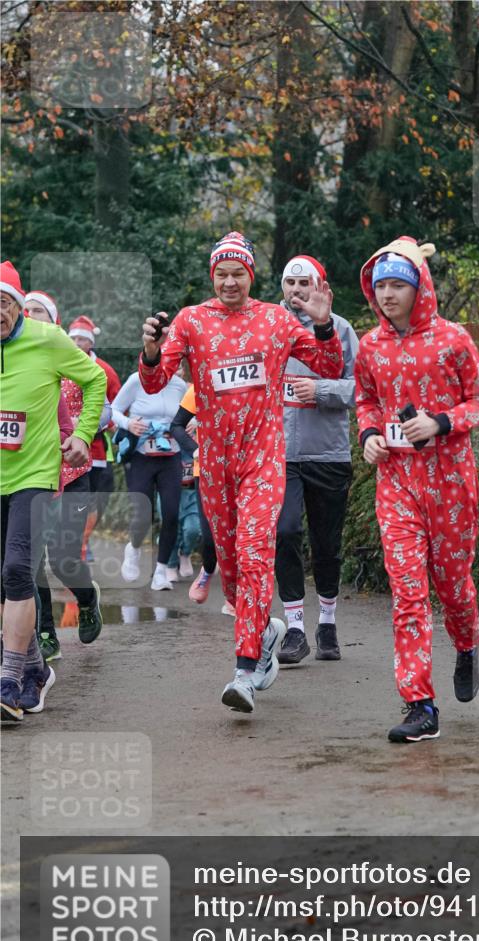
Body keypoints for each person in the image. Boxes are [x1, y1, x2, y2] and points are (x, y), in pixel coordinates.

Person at [139, 231, 343, 715]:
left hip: (263, 461)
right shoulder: (191, 321)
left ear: (251, 276)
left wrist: (323, 324)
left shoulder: (275, 320)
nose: (230, 281)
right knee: (230, 571)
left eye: (239, 273)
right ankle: (267, 630)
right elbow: (154, 380)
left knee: (255, 556)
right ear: (213, 275)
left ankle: (245, 670)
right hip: (214, 463)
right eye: (222, 273)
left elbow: (329, 364)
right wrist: (151, 350)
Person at [354, 237, 479, 744]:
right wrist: (370, 436)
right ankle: (419, 705)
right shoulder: (370, 346)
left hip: (452, 483)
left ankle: (467, 642)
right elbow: (366, 400)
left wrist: (440, 422)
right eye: (381, 285)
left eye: (398, 284)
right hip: (397, 485)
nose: (387, 294)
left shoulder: (454, 339)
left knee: (453, 585)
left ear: (419, 288)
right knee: (408, 594)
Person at [0, 261, 106, 721]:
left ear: (18, 306)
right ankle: (36, 670)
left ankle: (8, 679)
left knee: (18, 570)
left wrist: (82, 436)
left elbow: (95, 378)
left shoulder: (47, 340)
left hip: (36, 475)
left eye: (2, 304)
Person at [275, 255, 358, 665]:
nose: (296, 291)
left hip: (328, 453)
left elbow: (361, 389)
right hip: (279, 456)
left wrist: (320, 390)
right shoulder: (269, 328)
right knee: (285, 532)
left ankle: (327, 620)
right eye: (290, 283)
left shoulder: (340, 329)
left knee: (326, 546)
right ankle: (293, 629)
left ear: (320, 286)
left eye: (304, 283)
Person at [112, 366, 187, 590]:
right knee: (142, 514)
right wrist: (128, 423)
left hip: (171, 456)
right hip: (141, 457)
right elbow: (112, 409)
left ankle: (161, 572)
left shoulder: (179, 385)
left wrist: (191, 423)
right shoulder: (137, 380)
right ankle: (133, 549)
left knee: (172, 514)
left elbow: (189, 414)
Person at [66, 315, 122, 549]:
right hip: (63, 445)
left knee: (95, 498)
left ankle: (83, 541)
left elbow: (117, 406)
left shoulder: (104, 370)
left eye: (82, 339)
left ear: (91, 343)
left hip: (97, 448)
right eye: (73, 338)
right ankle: (72, 543)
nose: (77, 343)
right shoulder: (60, 364)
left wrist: (103, 424)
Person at [169, 384, 221, 602]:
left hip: (243, 469)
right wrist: (196, 449)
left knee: (241, 536)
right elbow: (177, 425)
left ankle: (235, 597)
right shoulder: (200, 385)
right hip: (207, 470)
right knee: (209, 536)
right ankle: (208, 570)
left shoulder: (247, 383)